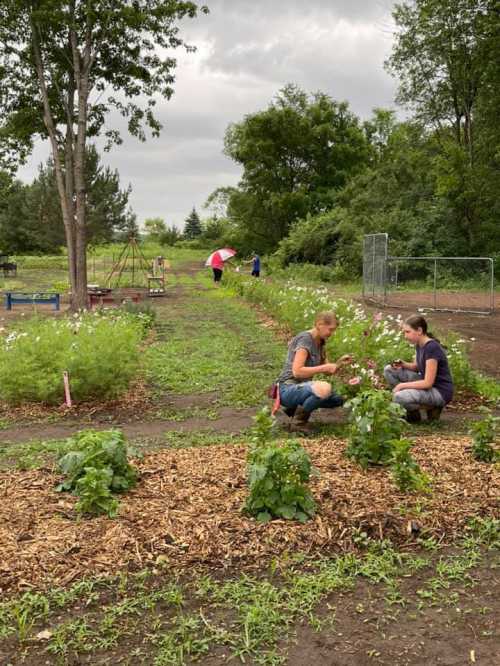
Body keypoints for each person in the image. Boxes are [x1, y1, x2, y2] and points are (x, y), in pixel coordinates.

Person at [275, 311, 352, 432]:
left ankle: (294, 409)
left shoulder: (320, 343)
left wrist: (338, 364)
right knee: (324, 388)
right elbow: (297, 372)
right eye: (330, 329)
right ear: (319, 324)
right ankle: (298, 423)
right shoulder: (305, 340)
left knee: (339, 399)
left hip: (301, 388)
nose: (332, 333)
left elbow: (327, 370)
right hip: (287, 387)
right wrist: (325, 368)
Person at [383, 314, 454, 422]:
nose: (405, 336)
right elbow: (416, 367)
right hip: (428, 385)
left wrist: (402, 386)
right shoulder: (419, 344)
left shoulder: (432, 348)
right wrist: (403, 364)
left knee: (399, 397)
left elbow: (427, 383)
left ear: (419, 330)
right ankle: (413, 412)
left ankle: (431, 407)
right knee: (389, 370)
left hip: (439, 391)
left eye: (407, 332)